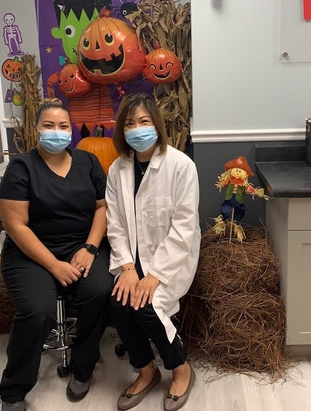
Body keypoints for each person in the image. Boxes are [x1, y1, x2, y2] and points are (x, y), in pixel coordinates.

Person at [0, 98, 114, 411]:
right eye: (48, 125)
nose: (56, 131)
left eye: (63, 126)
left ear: (71, 130)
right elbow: (16, 226)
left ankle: (83, 366)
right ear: (37, 129)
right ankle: (14, 389)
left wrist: (90, 248)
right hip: (31, 252)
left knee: (100, 290)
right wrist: (53, 265)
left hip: (81, 245)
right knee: (38, 310)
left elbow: (102, 208)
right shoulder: (21, 167)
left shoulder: (88, 162)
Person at [106, 93, 200, 411]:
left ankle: (181, 368)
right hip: (131, 260)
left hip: (171, 261)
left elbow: (184, 229)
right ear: (122, 130)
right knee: (118, 304)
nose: (137, 129)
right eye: (130, 123)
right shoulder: (117, 169)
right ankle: (147, 371)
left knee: (146, 306)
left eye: (144, 121)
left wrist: (154, 276)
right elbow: (115, 224)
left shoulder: (181, 166)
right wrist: (127, 268)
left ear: (157, 125)